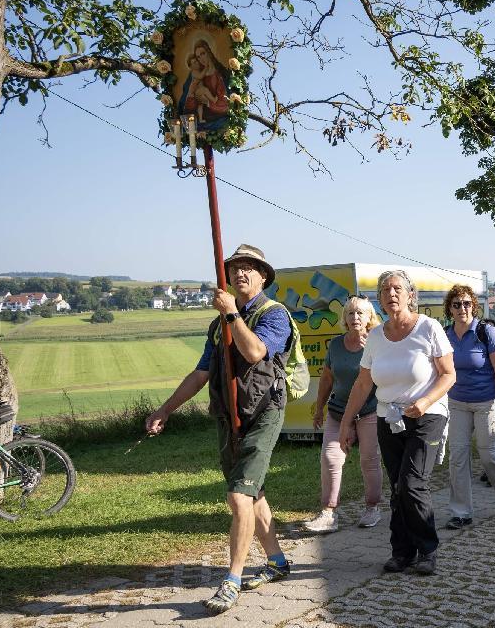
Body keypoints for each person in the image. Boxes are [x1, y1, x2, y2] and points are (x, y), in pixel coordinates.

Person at [145, 244, 293, 614]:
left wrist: (231, 315)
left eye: (249, 268)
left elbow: (256, 352)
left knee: (239, 496)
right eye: (235, 268)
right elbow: (201, 373)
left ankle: (231, 580)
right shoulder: (217, 325)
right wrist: (166, 409)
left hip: (263, 413)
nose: (240, 274)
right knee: (251, 491)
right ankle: (276, 561)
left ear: (263, 277)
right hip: (229, 415)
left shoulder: (274, 315)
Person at [339, 270, 455, 575]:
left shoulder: (429, 328)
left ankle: (427, 551)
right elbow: (363, 384)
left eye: (397, 289)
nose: (391, 294)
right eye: (385, 291)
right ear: (378, 299)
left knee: (412, 482)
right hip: (387, 418)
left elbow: (448, 375)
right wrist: (345, 423)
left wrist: (426, 401)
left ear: (410, 295)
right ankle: (402, 552)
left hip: (427, 416)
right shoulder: (375, 337)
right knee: (398, 486)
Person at [443, 285, 495, 530]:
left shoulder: (486, 332)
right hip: (457, 403)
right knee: (458, 457)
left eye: (466, 303)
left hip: (487, 402)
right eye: (456, 304)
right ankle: (461, 512)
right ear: (450, 309)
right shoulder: (445, 335)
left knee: (488, 454)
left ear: (473, 306)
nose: (462, 308)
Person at [305, 295, 383, 534]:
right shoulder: (336, 345)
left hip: (369, 411)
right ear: (345, 319)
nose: (355, 317)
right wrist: (319, 408)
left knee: (369, 460)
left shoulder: (378, 343)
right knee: (330, 458)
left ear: (370, 317)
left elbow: (383, 378)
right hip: (338, 412)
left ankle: (372, 507)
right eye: (350, 313)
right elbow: (327, 378)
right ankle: (329, 513)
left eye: (360, 313)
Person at [180, 39, 230, 130]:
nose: (201, 59)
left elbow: (225, 103)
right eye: (198, 57)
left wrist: (207, 102)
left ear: (209, 51)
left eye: (203, 53)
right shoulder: (197, 73)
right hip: (199, 120)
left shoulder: (221, 73)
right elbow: (186, 101)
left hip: (217, 118)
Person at [186, 54, 218, 123]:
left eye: (197, 61)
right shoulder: (194, 72)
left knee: (200, 106)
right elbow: (200, 76)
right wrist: (206, 67)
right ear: (191, 67)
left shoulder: (199, 70)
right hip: (197, 91)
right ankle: (213, 99)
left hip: (199, 91)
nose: (197, 63)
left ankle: (200, 119)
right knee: (205, 90)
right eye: (194, 63)